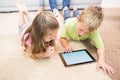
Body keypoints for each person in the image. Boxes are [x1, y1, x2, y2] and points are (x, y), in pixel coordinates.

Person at [59, 5, 114, 75]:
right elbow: (62, 38)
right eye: (81, 30)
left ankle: (75, 10)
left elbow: (101, 47)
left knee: (77, 14)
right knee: (66, 16)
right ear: (78, 19)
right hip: (69, 20)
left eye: (86, 33)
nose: (82, 34)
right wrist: (66, 46)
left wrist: (101, 60)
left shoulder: (94, 31)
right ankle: (66, 9)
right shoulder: (68, 25)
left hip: (79, 19)